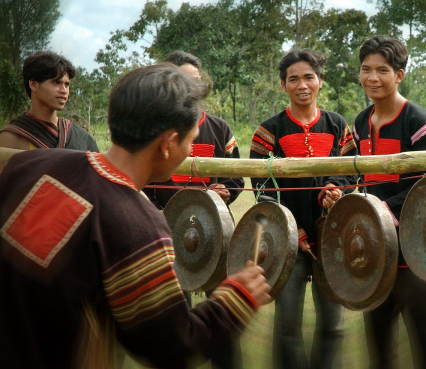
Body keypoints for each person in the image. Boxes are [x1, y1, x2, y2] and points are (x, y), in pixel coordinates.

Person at [0, 63, 270, 368]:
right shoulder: (137, 228)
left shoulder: (30, 166)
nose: (191, 149)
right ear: (168, 144)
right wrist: (237, 298)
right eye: (191, 140)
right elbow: (171, 345)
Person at [249, 49, 357, 369]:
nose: (302, 84)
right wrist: (292, 230)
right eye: (293, 79)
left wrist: (337, 190)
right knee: (286, 325)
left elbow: (352, 172)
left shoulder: (338, 125)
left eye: (309, 77)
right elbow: (260, 187)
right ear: (283, 85)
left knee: (333, 326)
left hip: (331, 239)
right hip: (288, 242)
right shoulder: (268, 131)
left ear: (320, 81)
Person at [352, 35, 426, 369]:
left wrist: (383, 211)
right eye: (365, 69)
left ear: (399, 75)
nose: (372, 78)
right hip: (374, 251)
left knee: (425, 343)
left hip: (413, 252)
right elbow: (363, 179)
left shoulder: (420, 123)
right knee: (378, 343)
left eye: (382, 70)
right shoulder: (361, 122)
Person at [144, 50, 243, 208]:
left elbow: (236, 177)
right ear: (168, 84)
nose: (195, 88)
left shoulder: (220, 128)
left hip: (213, 223)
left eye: (197, 81)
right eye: (186, 82)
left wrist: (224, 191)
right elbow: (141, 184)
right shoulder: (152, 129)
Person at [0, 51, 98, 152]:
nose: (64, 90)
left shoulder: (80, 138)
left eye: (66, 85)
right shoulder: (11, 139)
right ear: (33, 84)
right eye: (56, 82)